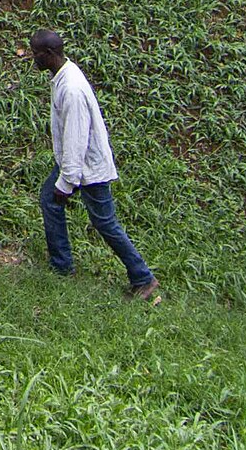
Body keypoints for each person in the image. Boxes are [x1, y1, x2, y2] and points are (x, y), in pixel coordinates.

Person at [29, 29, 158, 299]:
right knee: (49, 201)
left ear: (49, 54)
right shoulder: (63, 75)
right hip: (76, 163)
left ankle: (143, 278)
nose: (33, 59)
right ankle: (61, 265)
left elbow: (76, 138)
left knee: (104, 222)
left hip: (87, 167)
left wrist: (66, 182)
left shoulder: (71, 89)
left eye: (36, 53)